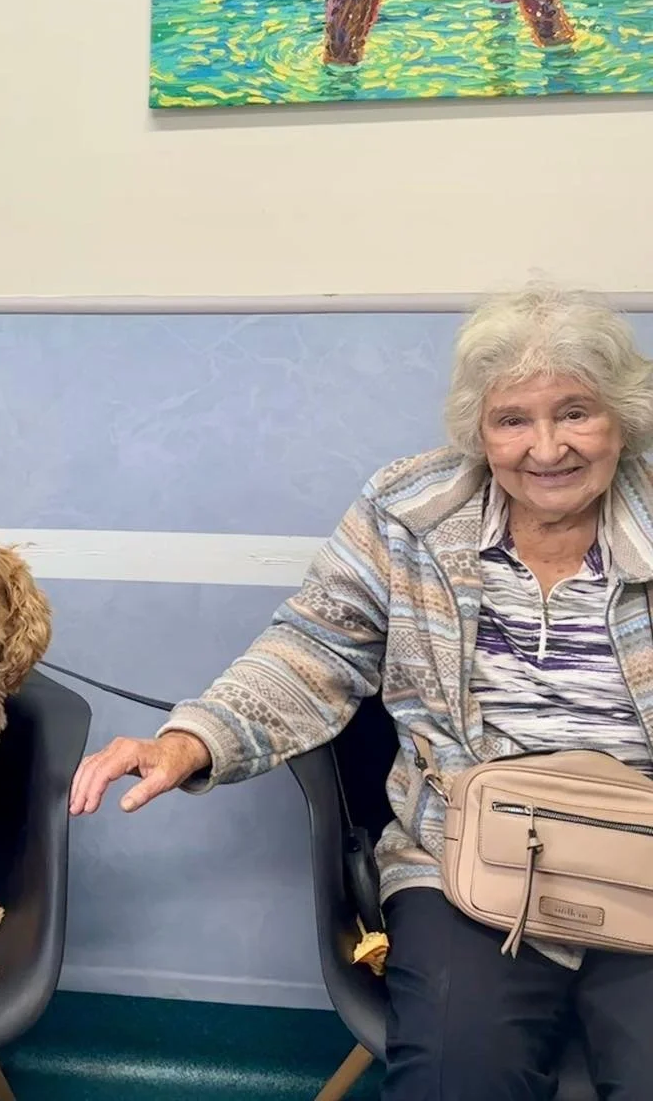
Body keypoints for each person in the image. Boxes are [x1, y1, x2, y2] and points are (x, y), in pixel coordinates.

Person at [71, 285, 653, 1100]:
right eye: (513, 419)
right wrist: (190, 740)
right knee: (456, 1077)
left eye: (576, 412)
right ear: (478, 431)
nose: (546, 447)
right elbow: (313, 646)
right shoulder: (411, 510)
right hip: (463, 854)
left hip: (644, 853)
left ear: (622, 415)